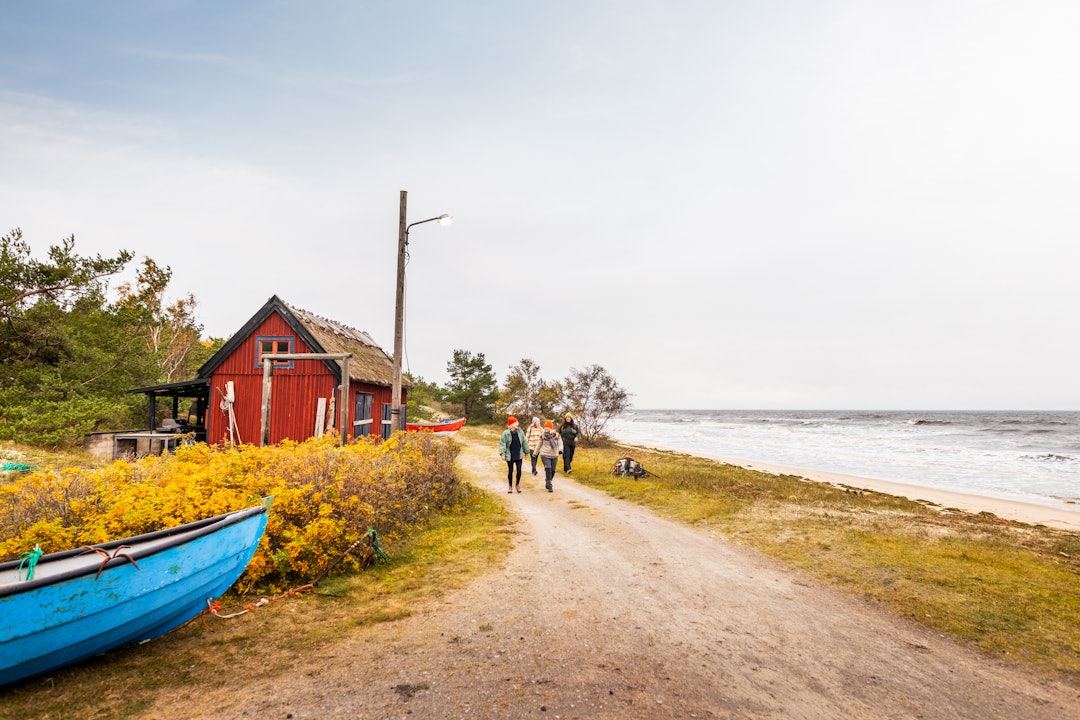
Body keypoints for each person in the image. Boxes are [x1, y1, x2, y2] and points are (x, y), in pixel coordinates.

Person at [498, 416, 529, 493]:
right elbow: (503, 444)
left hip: (518, 454)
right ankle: (510, 486)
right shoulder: (506, 433)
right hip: (510, 455)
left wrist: (526, 452)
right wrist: (502, 453)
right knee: (510, 471)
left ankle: (517, 484)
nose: (517, 423)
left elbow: (524, 442)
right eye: (515, 422)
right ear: (511, 424)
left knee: (519, 470)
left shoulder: (520, 432)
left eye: (517, 422)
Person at [537, 420, 563, 491]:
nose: (546, 429)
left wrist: (561, 450)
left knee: (553, 471)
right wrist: (535, 453)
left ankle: (548, 480)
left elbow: (560, 443)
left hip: (554, 455)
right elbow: (539, 444)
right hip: (545, 455)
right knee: (548, 468)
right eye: (545, 427)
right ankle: (549, 484)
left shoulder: (557, 435)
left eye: (548, 427)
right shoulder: (542, 435)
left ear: (551, 428)